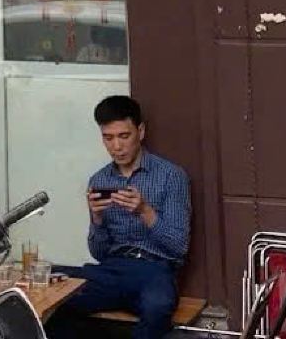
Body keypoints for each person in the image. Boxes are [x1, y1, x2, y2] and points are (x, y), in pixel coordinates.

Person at [56, 95, 191, 339]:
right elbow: (99, 253)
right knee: (55, 292)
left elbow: (178, 247)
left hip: (155, 270)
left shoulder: (171, 176)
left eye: (124, 136)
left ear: (140, 131)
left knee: (158, 306)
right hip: (113, 269)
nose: (116, 147)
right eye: (108, 138)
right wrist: (97, 219)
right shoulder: (99, 180)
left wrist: (145, 211)